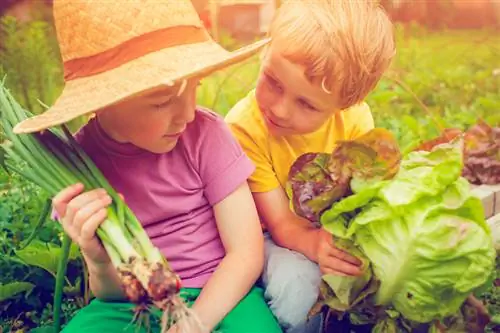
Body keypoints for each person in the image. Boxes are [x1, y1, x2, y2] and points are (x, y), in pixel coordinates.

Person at [13, 1, 282, 332]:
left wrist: (194, 324)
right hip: (131, 305)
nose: (186, 114)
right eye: (161, 101)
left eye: (194, 85)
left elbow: (246, 254)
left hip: (222, 293)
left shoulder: (206, 133)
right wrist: (97, 260)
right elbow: (109, 292)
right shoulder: (78, 164)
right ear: (103, 102)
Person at [225, 0, 396, 331]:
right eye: (273, 81)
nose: (280, 109)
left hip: (327, 231)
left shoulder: (355, 119)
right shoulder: (242, 128)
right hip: (269, 236)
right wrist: (317, 246)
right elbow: (281, 224)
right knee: (300, 298)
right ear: (264, 52)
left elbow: (360, 197)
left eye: (306, 103)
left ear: (343, 105)